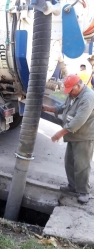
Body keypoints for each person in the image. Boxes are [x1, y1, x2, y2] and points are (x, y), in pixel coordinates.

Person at [42, 74, 94, 204]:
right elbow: (64, 107)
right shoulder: (73, 94)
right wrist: (49, 108)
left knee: (82, 165)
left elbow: (78, 120)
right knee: (69, 162)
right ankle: (73, 186)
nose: (69, 93)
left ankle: (83, 192)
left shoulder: (88, 97)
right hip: (72, 134)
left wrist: (60, 133)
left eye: (71, 89)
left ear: (79, 85)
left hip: (83, 135)